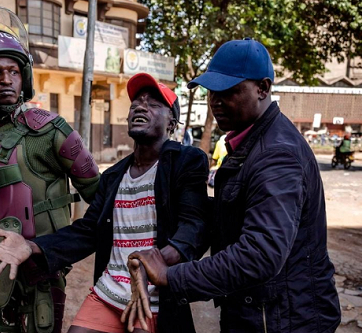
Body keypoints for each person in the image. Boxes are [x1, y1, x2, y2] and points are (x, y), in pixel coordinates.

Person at [125, 38, 341, 333]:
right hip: (261, 312)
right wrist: (174, 248)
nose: (216, 101)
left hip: (283, 320)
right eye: (212, 91)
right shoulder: (249, 143)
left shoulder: (276, 154)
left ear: (263, 88)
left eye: (229, 91)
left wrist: (171, 276)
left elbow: (260, 253)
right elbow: (229, 217)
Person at [0, 73, 210, 333]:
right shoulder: (113, 176)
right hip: (108, 294)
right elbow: (88, 231)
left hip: (153, 298)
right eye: (136, 104)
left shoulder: (186, 161)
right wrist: (32, 246)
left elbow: (194, 227)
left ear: (171, 124)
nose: (141, 107)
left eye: (154, 104)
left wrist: (152, 262)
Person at [0, 7, 100, 333]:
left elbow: (100, 197)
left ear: (24, 76)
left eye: (14, 71)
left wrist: (63, 250)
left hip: (41, 270)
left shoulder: (51, 131)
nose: (6, 80)